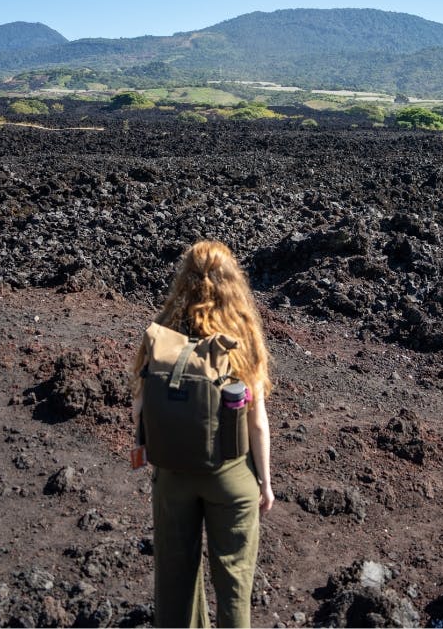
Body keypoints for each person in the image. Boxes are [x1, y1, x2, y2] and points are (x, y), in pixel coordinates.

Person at [129, 240, 274, 628]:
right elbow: (257, 422)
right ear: (232, 281)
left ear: (184, 278)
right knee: (234, 582)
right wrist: (264, 482)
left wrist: (146, 450)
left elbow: (139, 405)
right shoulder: (241, 337)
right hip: (230, 475)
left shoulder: (162, 332)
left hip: (173, 474)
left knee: (174, 577)